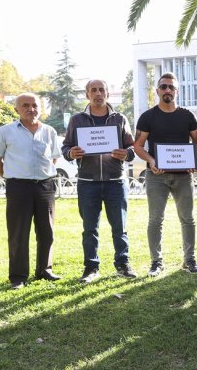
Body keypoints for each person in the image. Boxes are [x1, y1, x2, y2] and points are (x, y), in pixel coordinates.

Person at [62, 80, 137, 283]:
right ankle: (91, 268)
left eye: (101, 89)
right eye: (93, 90)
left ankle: (123, 264)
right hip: (88, 182)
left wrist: (126, 154)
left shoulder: (119, 118)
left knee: (120, 227)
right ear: (87, 94)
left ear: (108, 94)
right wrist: (71, 152)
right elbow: (66, 147)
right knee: (90, 228)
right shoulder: (77, 120)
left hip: (115, 181)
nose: (97, 93)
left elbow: (132, 148)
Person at [134, 73, 197, 276]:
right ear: (157, 91)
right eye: (163, 87)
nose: (167, 90)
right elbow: (138, 146)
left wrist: (194, 159)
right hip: (156, 176)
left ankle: (189, 260)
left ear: (177, 91)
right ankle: (156, 262)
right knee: (155, 220)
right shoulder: (148, 116)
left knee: (188, 219)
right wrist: (151, 160)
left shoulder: (187, 116)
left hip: (183, 176)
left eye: (171, 87)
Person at [0, 93, 61, 289]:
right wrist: (9, 176)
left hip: (45, 186)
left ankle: (44, 270)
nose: (31, 109)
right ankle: (18, 277)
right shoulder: (4, 132)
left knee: (47, 231)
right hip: (18, 187)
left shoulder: (49, 131)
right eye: (25, 105)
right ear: (17, 109)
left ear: (40, 109)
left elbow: (54, 158)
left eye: (35, 105)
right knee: (18, 233)